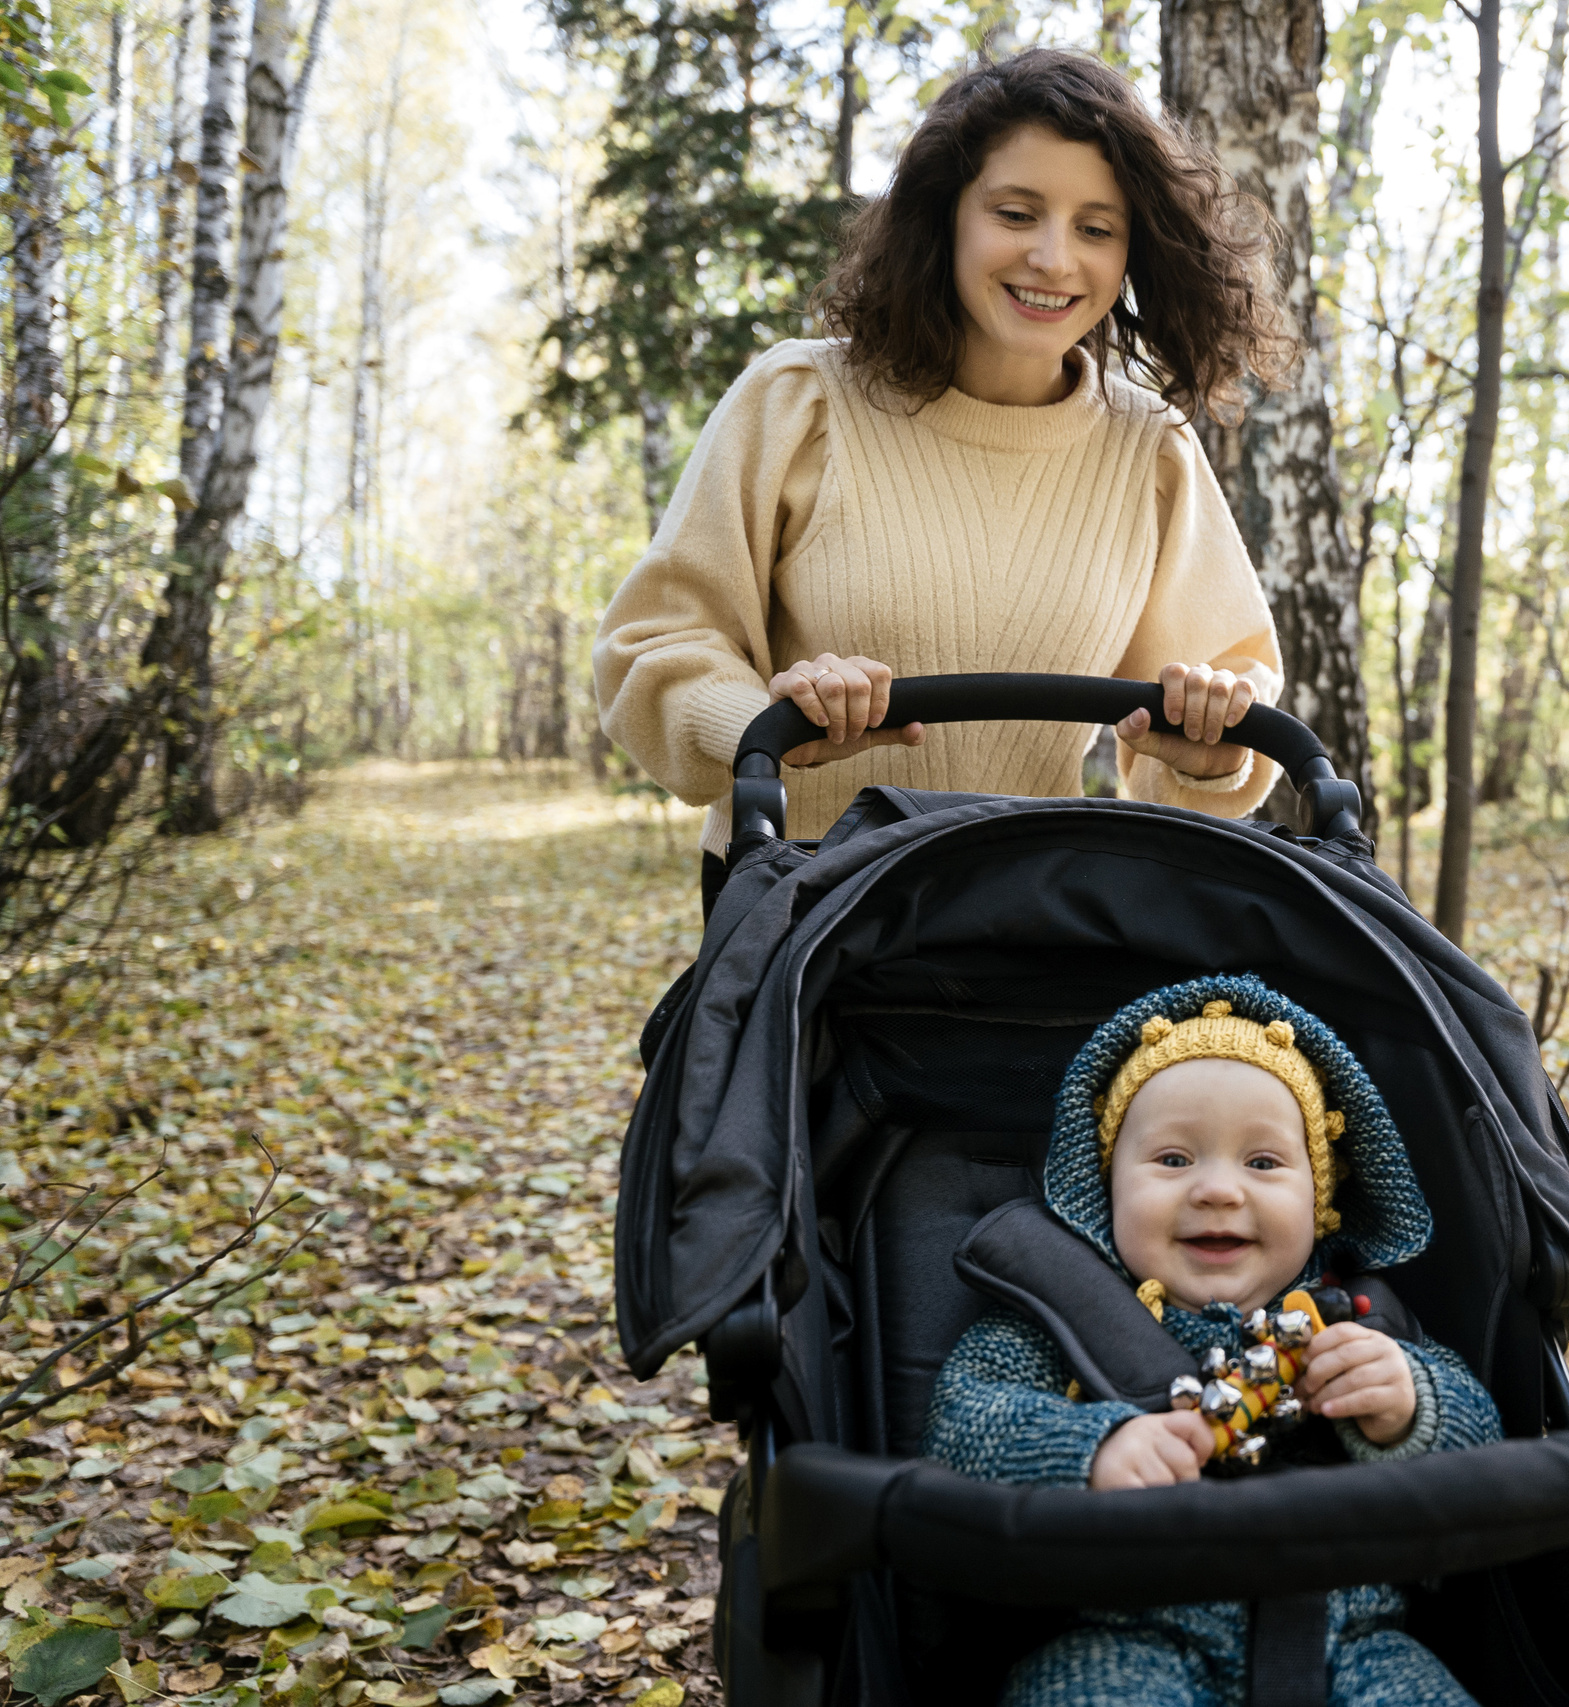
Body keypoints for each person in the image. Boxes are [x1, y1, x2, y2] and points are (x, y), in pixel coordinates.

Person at [591, 51, 1297, 910]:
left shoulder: (1149, 451)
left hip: (1039, 916)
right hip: (801, 910)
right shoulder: (801, 401)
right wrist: (766, 727)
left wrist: (1214, 745)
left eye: (1095, 228)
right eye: (1016, 212)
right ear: (947, 217)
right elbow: (654, 645)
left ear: (1129, 254)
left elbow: (1228, 691)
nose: (1052, 257)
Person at [924, 976, 1500, 1707]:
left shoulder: (1364, 1325)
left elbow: (1487, 1455)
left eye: (1263, 1163)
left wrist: (1412, 1406)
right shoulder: (1054, 1325)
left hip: (1356, 1641)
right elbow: (963, 1428)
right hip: (1125, 1636)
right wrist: (1090, 1450)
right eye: (1173, 1160)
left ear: (1318, 1203)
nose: (1218, 1190)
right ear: (1107, 1189)